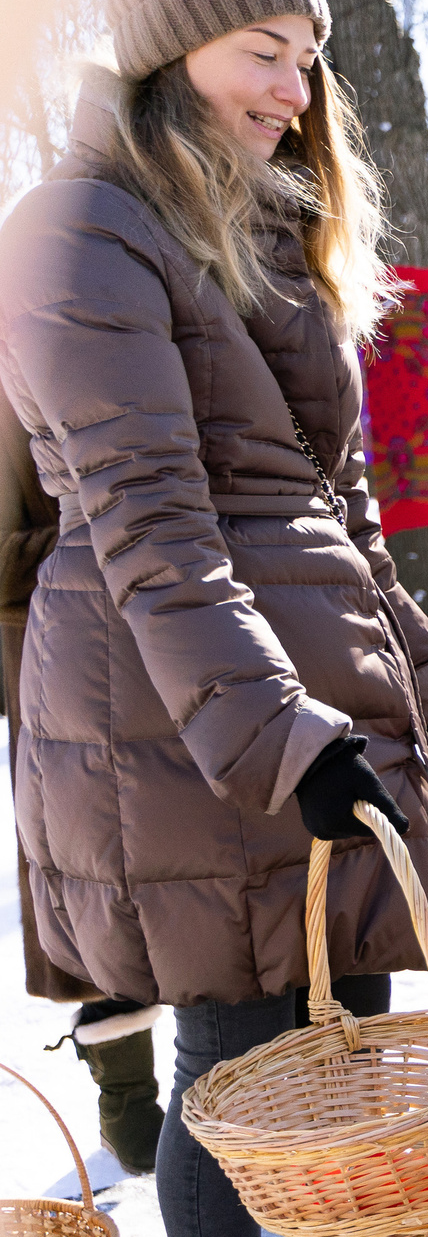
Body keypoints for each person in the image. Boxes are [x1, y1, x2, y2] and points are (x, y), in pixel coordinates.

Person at [0, 0, 428, 1237]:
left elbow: (342, 528)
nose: (295, 90)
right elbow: (150, 529)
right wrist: (279, 736)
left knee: (351, 1037)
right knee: (240, 1060)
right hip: (163, 718)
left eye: (309, 58)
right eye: (265, 50)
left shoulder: (265, 240)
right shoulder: (77, 234)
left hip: (307, 705)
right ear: (177, 55)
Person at [1, 404, 167, 1173]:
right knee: (94, 880)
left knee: (181, 881)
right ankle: (128, 1100)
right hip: (56, 664)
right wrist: (104, 531)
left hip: (161, 637)